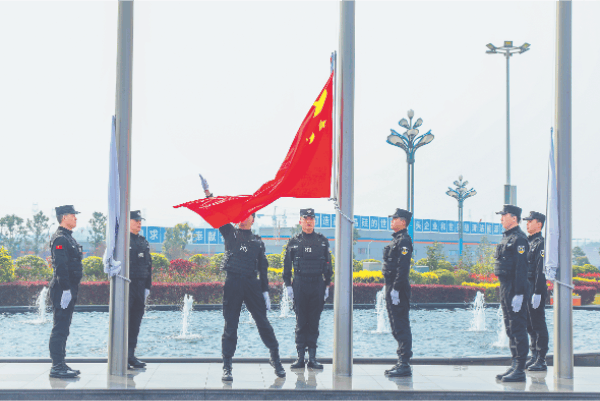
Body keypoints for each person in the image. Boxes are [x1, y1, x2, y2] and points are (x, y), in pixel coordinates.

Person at [219, 213, 286, 381]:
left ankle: (275, 358)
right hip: (233, 282)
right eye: (241, 215)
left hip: (251, 284)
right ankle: (227, 366)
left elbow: (263, 269)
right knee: (230, 324)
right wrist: (212, 197)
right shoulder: (230, 233)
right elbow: (220, 215)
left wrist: (265, 292)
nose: (243, 219)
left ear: (252, 219)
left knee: (263, 322)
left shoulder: (257, 242)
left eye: (247, 215)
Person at [283, 208, 333, 370]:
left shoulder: (322, 241)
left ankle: (312, 358)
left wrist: (327, 285)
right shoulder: (294, 242)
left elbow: (328, 265)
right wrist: (288, 286)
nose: (309, 221)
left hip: (317, 284)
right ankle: (300, 358)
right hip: (300, 284)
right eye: (306, 219)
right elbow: (287, 266)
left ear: (314, 221)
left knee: (314, 321)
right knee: (300, 321)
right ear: (300, 221)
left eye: (311, 219)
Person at [494, 204, 530, 382]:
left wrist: (519, 293)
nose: (501, 218)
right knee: (509, 327)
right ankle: (515, 364)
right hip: (505, 287)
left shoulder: (520, 239)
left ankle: (520, 369)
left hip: (515, 288)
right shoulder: (507, 238)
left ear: (514, 218)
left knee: (517, 327)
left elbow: (521, 268)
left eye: (504, 215)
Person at [48, 205, 83, 378]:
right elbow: (61, 267)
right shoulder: (60, 238)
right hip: (62, 289)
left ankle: (61, 363)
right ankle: (56, 367)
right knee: (60, 328)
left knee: (64, 328)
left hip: (69, 288)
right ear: (64, 217)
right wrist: (66, 290)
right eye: (72, 215)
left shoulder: (68, 238)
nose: (76, 218)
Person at [381, 208, 414, 377]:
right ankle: (401, 361)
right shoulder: (396, 240)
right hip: (391, 287)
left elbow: (403, 268)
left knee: (401, 325)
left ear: (403, 221)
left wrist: (396, 289)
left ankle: (405, 364)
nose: (392, 221)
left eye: (395, 218)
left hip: (398, 289)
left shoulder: (404, 241)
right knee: (395, 325)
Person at [523, 211, 549, 372]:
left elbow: (540, 270)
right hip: (526, 287)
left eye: (530, 221)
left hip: (535, 288)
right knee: (529, 324)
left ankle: (541, 359)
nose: (527, 224)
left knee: (538, 324)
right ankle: (533, 355)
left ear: (539, 224)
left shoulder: (541, 243)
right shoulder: (527, 242)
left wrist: (538, 292)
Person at [128, 210, 152, 369]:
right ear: (128, 221)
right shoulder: (123, 240)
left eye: (140, 220)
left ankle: (131, 355)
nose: (139, 223)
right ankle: (121, 355)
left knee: (136, 322)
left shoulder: (143, 242)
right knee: (125, 321)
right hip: (127, 286)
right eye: (136, 220)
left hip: (140, 286)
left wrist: (147, 287)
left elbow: (149, 266)